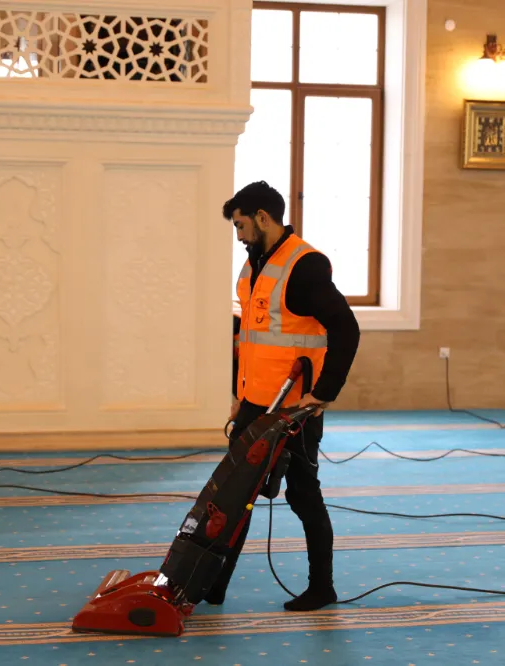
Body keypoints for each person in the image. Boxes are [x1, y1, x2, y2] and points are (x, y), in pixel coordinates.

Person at [208, 180, 361, 612]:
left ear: (262, 218)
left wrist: (323, 393)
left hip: (294, 408)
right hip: (255, 402)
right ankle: (214, 584)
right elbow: (250, 339)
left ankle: (322, 587)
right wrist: (238, 395)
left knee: (302, 495)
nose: (237, 234)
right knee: (233, 496)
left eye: (240, 225)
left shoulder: (305, 265)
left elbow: (346, 330)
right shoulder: (254, 266)